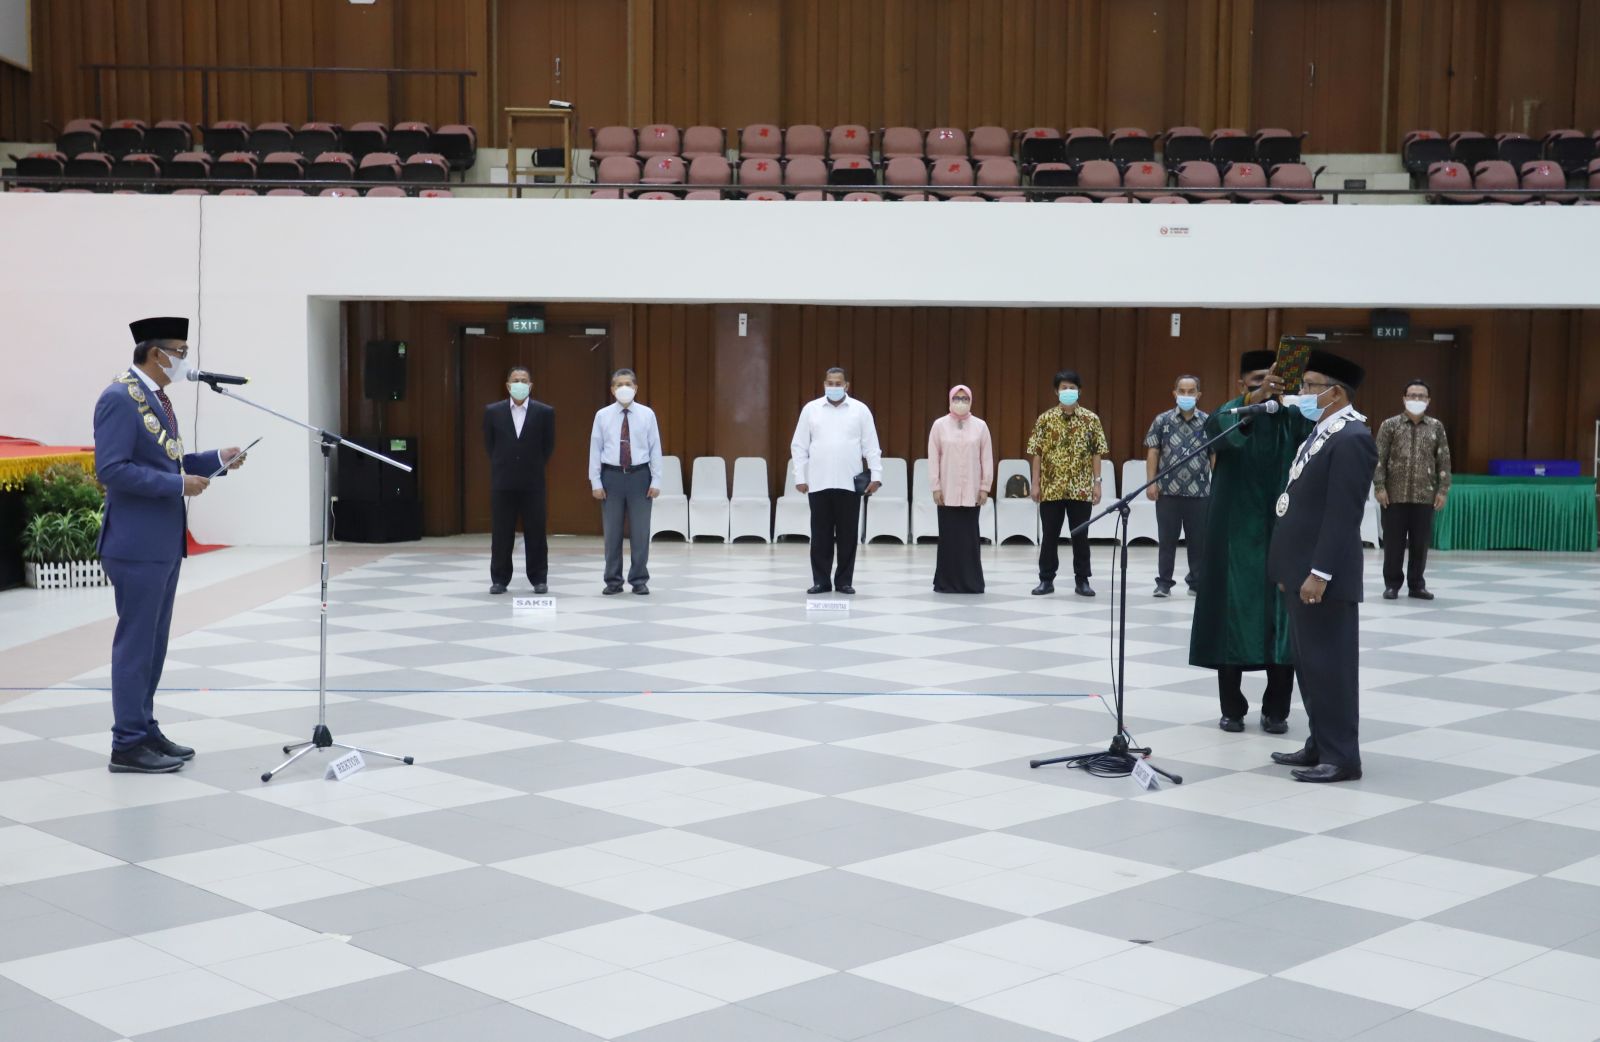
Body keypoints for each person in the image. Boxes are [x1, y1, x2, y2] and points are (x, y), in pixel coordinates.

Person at [95, 316, 244, 774]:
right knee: (136, 645)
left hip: (161, 541)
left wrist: (216, 460)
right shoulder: (119, 398)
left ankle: (144, 728)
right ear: (155, 353)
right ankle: (127, 744)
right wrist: (178, 485)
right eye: (179, 351)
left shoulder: (155, 398)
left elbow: (166, 462)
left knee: (154, 645)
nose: (184, 360)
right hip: (135, 542)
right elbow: (111, 469)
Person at [1189, 350, 1313, 735]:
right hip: (1235, 540)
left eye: (1272, 380)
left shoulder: (1293, 417)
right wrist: (1254, 401)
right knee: (1232, 621)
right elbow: (1217, 432)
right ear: (1242, 383)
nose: (1267, 386)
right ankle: (1232, 709)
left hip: (1282, 534)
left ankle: (1277, 710)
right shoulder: (1231, 413)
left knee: (1282, 623)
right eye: (1258, 379)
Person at [1268, 351, 1378, 783]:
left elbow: (1342, 515)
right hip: (1301, 570)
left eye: (1310, 386)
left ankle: (1342, 757)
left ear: (1334, 393)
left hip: (1325, 578)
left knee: (1331, 667)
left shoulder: (1352, 438)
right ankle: (1320, 743)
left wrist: (1320, 573)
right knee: (1310, 665)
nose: (1302, 393)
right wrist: (1288, 569)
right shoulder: (1323, 432)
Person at [791, 367, 882, 595]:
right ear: (824, 384)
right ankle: (821, 581)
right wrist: (800, 477)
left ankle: (843, 581)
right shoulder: (811, 410)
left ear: (846, 385)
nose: (834, 387)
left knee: (847, 535)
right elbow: (799, 446)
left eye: (838, 383)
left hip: (849, 483)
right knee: (820, 536)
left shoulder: (860, 410)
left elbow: (871, 446)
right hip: (818, 482)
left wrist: (876, 475)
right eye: (830, 383)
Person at [1028, 369, 1107, 597]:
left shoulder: (1091, 419)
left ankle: (1082, 580)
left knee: (1080, 536)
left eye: (1072, 388)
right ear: (1056, 391)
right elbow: (1037, 453)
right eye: (1064, 388)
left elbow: (1097, 453)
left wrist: (1097, 483)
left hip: (1080, 488)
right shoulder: (1045, 419)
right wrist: (1035, 483)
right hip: (1051, 487)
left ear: (1079, 391)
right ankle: (1046, 580)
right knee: (1049, 535)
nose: (1068, 391)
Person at [1374, 379, 1451, 601]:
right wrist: (1379, 486)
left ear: (1428, 400)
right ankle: (1392, 585)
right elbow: (1379, 458)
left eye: (1421, 396)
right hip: (1393, 496)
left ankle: (1417, 585)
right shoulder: (1390, 425)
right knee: (1393, 544)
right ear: (1404, 398)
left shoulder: (1436, 427)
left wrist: (1443, 490)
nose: (1416, 399)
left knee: (1420, 544)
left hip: (1425, 496)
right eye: (1412, 395)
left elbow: (1444, 460)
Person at [588, 368, 662, 595]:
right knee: (612, 533)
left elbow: (655, 447)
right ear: (612, 390)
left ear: (636, 388)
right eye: (619, 385)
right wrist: (595, 482)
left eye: (628, 384)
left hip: (640, 476)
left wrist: (656, 479)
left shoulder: (647, 414)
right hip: (611, 477)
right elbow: (595, 448)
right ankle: (613, 580)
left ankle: (639, 579)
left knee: (640, 532)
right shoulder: (602, 415)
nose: (624, 388)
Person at [483, 366, 555, 595]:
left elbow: (548, 446)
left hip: (533, 482)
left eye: (524, 380)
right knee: (501, 532)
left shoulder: (544, 412)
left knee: (536, 531)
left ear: (531, 385)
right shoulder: (493, 412)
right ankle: (499, 579)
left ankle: (539, 578)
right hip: (502, 482)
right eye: (516, 380)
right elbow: (490, 445)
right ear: (508, 385)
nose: (520, 384)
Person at [1144, 374, 1210, 598]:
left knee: (1198, 542)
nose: (1186, 395)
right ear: (1174, 393)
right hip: (1167, 491)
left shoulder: (1208, 421)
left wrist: (1217, 485)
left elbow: (1214, 455)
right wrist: (1151, 482)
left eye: (1191, 391)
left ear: (1199, 395)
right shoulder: (1162, 421)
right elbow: (1153, 451)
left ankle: (1196, 582)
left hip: (1199, 492)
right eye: (1182, 391)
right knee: (1167, 540)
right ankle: (1164, 583)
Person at [928, 385, 994, 594]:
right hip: (947, 492)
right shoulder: (939, 425)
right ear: (950, 400)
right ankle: (945, 583)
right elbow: (933, 459)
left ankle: (971, 583)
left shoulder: (981, 426)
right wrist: (936, 487)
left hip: (972, 492)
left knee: (969, 540)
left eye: (965, 398)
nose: (961, 402)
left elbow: (987, 458)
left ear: (971, 401)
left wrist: (985, 487)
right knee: (948, 539)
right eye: (957, 398)